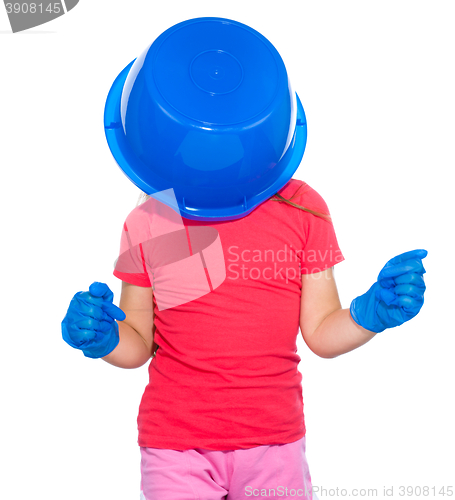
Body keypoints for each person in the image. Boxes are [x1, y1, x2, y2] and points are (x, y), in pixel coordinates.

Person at [62, 17, 427, 500]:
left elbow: (320, 331)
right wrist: (104, 337)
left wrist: (369, 315)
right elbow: (138, 343)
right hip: (175, 446)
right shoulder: (153, 218)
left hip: (274, 442)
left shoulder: (302, 208)